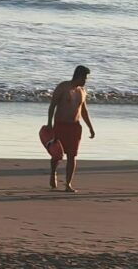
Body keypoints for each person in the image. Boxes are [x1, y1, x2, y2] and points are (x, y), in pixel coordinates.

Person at [47, 65, 96, 193]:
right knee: (57, 155)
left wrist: (90, 127)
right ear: (78, 76)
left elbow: (84, 111)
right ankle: (53, 173)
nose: (85, 81)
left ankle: (68, 184)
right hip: (60, 125)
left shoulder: (82, 91)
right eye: (84, 78)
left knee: (72, 156)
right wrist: (49, 124)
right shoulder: (63, 87)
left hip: (75, 127)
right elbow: (52, 106)